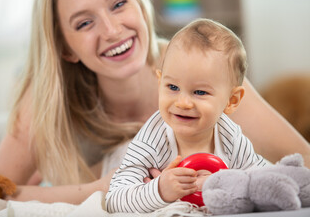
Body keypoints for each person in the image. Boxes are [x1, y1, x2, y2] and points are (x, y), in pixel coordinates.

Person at [0, 0, 310, 204]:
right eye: (84, 23)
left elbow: (304, 162)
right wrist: (102, 188)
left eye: (118, 4)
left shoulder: (205, 73)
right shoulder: (48, 97)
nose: (113, 30)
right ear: (65, 49)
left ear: (140, 2)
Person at [105, 18, 269, 213]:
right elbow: (114, 199)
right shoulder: (152, 140)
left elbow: (263, 184)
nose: (182, 103)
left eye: (199, 92)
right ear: (160, 83)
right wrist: (160, 190)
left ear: (231, 100)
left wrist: (225, 183)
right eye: (172, 87)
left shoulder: (230, 137)